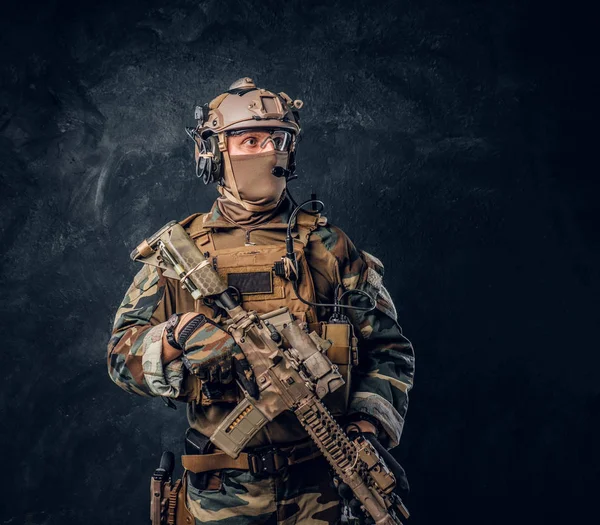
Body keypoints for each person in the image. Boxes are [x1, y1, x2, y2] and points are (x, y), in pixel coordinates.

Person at [107, 77, 415, 524]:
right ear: (214, 152)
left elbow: (388, 350)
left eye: (279, 139)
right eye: (250, 140)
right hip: (221, 498)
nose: (269, 152)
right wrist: (177, 335)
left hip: (320, 488)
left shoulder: (327, 248)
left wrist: (366, 428)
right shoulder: (177, 255)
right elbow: (119, 359)